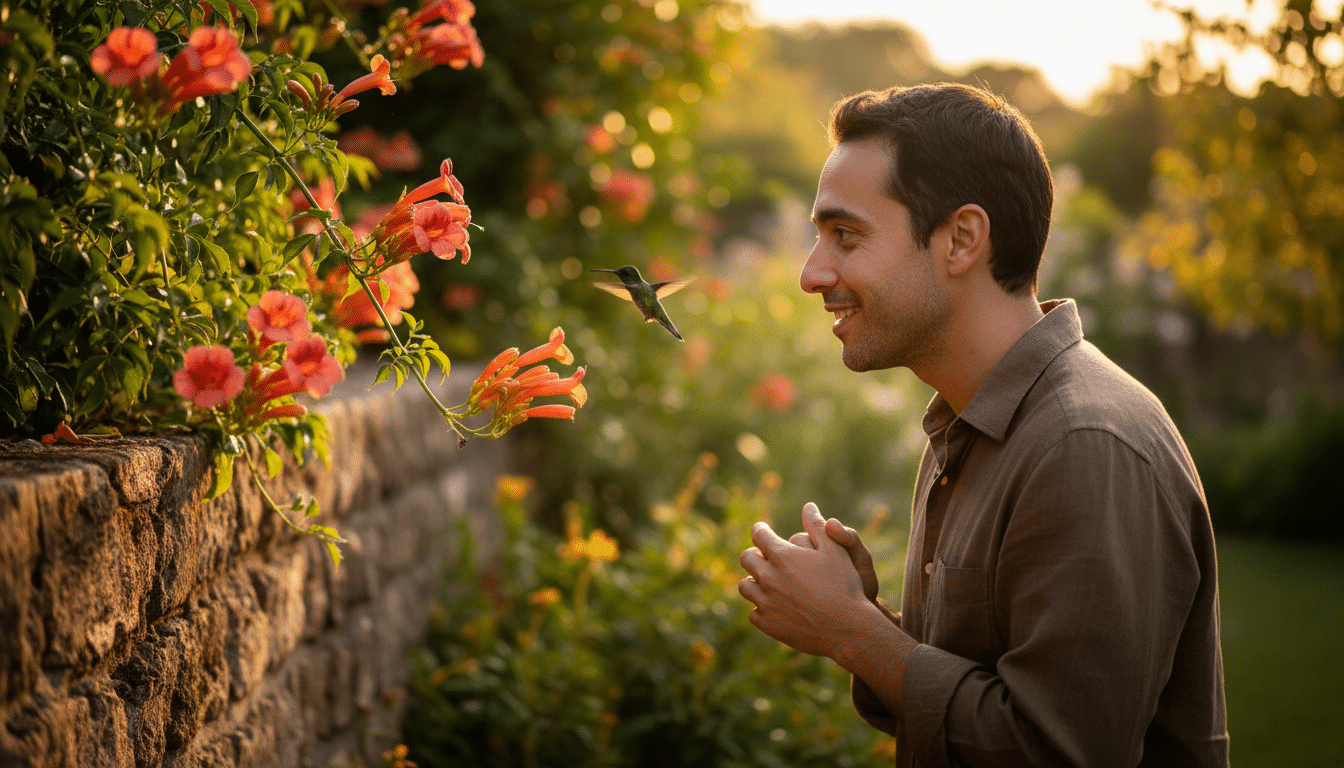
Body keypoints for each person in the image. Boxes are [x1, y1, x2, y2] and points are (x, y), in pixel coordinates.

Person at [737, 82, 1229, 767]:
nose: (811, 273)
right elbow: (987, 696)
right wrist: (861, 617)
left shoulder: (1085, 446)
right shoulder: (969, 424)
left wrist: (853, 632)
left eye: (845, 235)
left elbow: (1055, 750)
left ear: (962, 239)